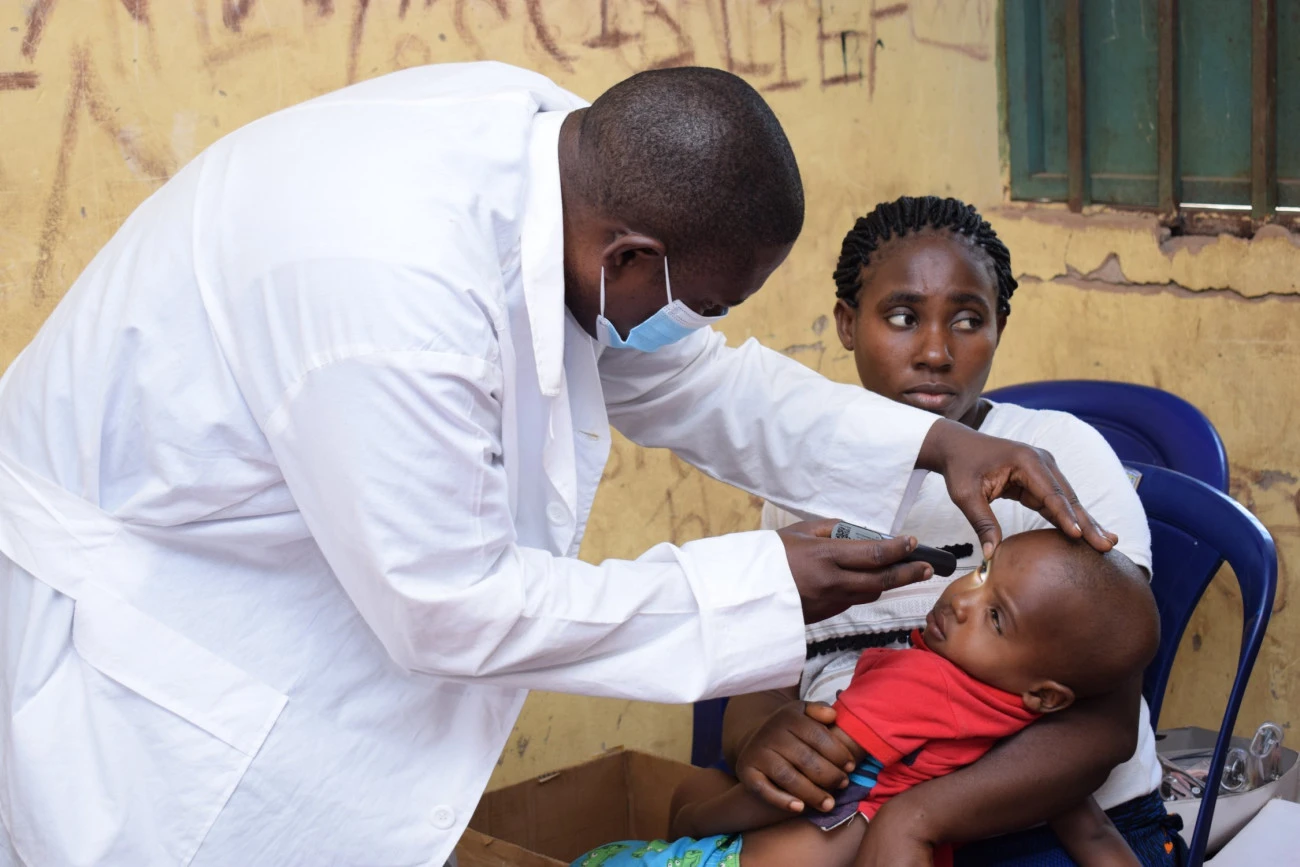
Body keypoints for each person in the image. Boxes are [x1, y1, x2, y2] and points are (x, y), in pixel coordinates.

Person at [0, 69, 1113, 867]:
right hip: (158, 650)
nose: (700, 328)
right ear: (627, 255)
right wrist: (759, 582)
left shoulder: (546, 150)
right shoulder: (391, 299)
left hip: (265, 566)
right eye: (702, 300)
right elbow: (448, 606)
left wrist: (935, 442)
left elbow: (692, 380)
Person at [722, 196, 1185, 866]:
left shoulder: (1050, 458)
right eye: (903, 317)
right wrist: (764, 738)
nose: (936, 352)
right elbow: (758, 674)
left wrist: (919, 816)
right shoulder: (803, 484)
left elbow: (1104, 726)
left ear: (1000, 325)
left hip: (1041, 821)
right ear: (849, 324)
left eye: (969, 320)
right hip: (846, 818)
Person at [572, 529, 1161, 867]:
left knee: (659, 815)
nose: (960, 599)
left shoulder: (916, 685)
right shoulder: (1024, 738)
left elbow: (799, 783)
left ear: (1046, 695)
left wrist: (691, 826)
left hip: (765, 860)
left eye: (996, 618)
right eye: (982, 574)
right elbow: (1091, 834)